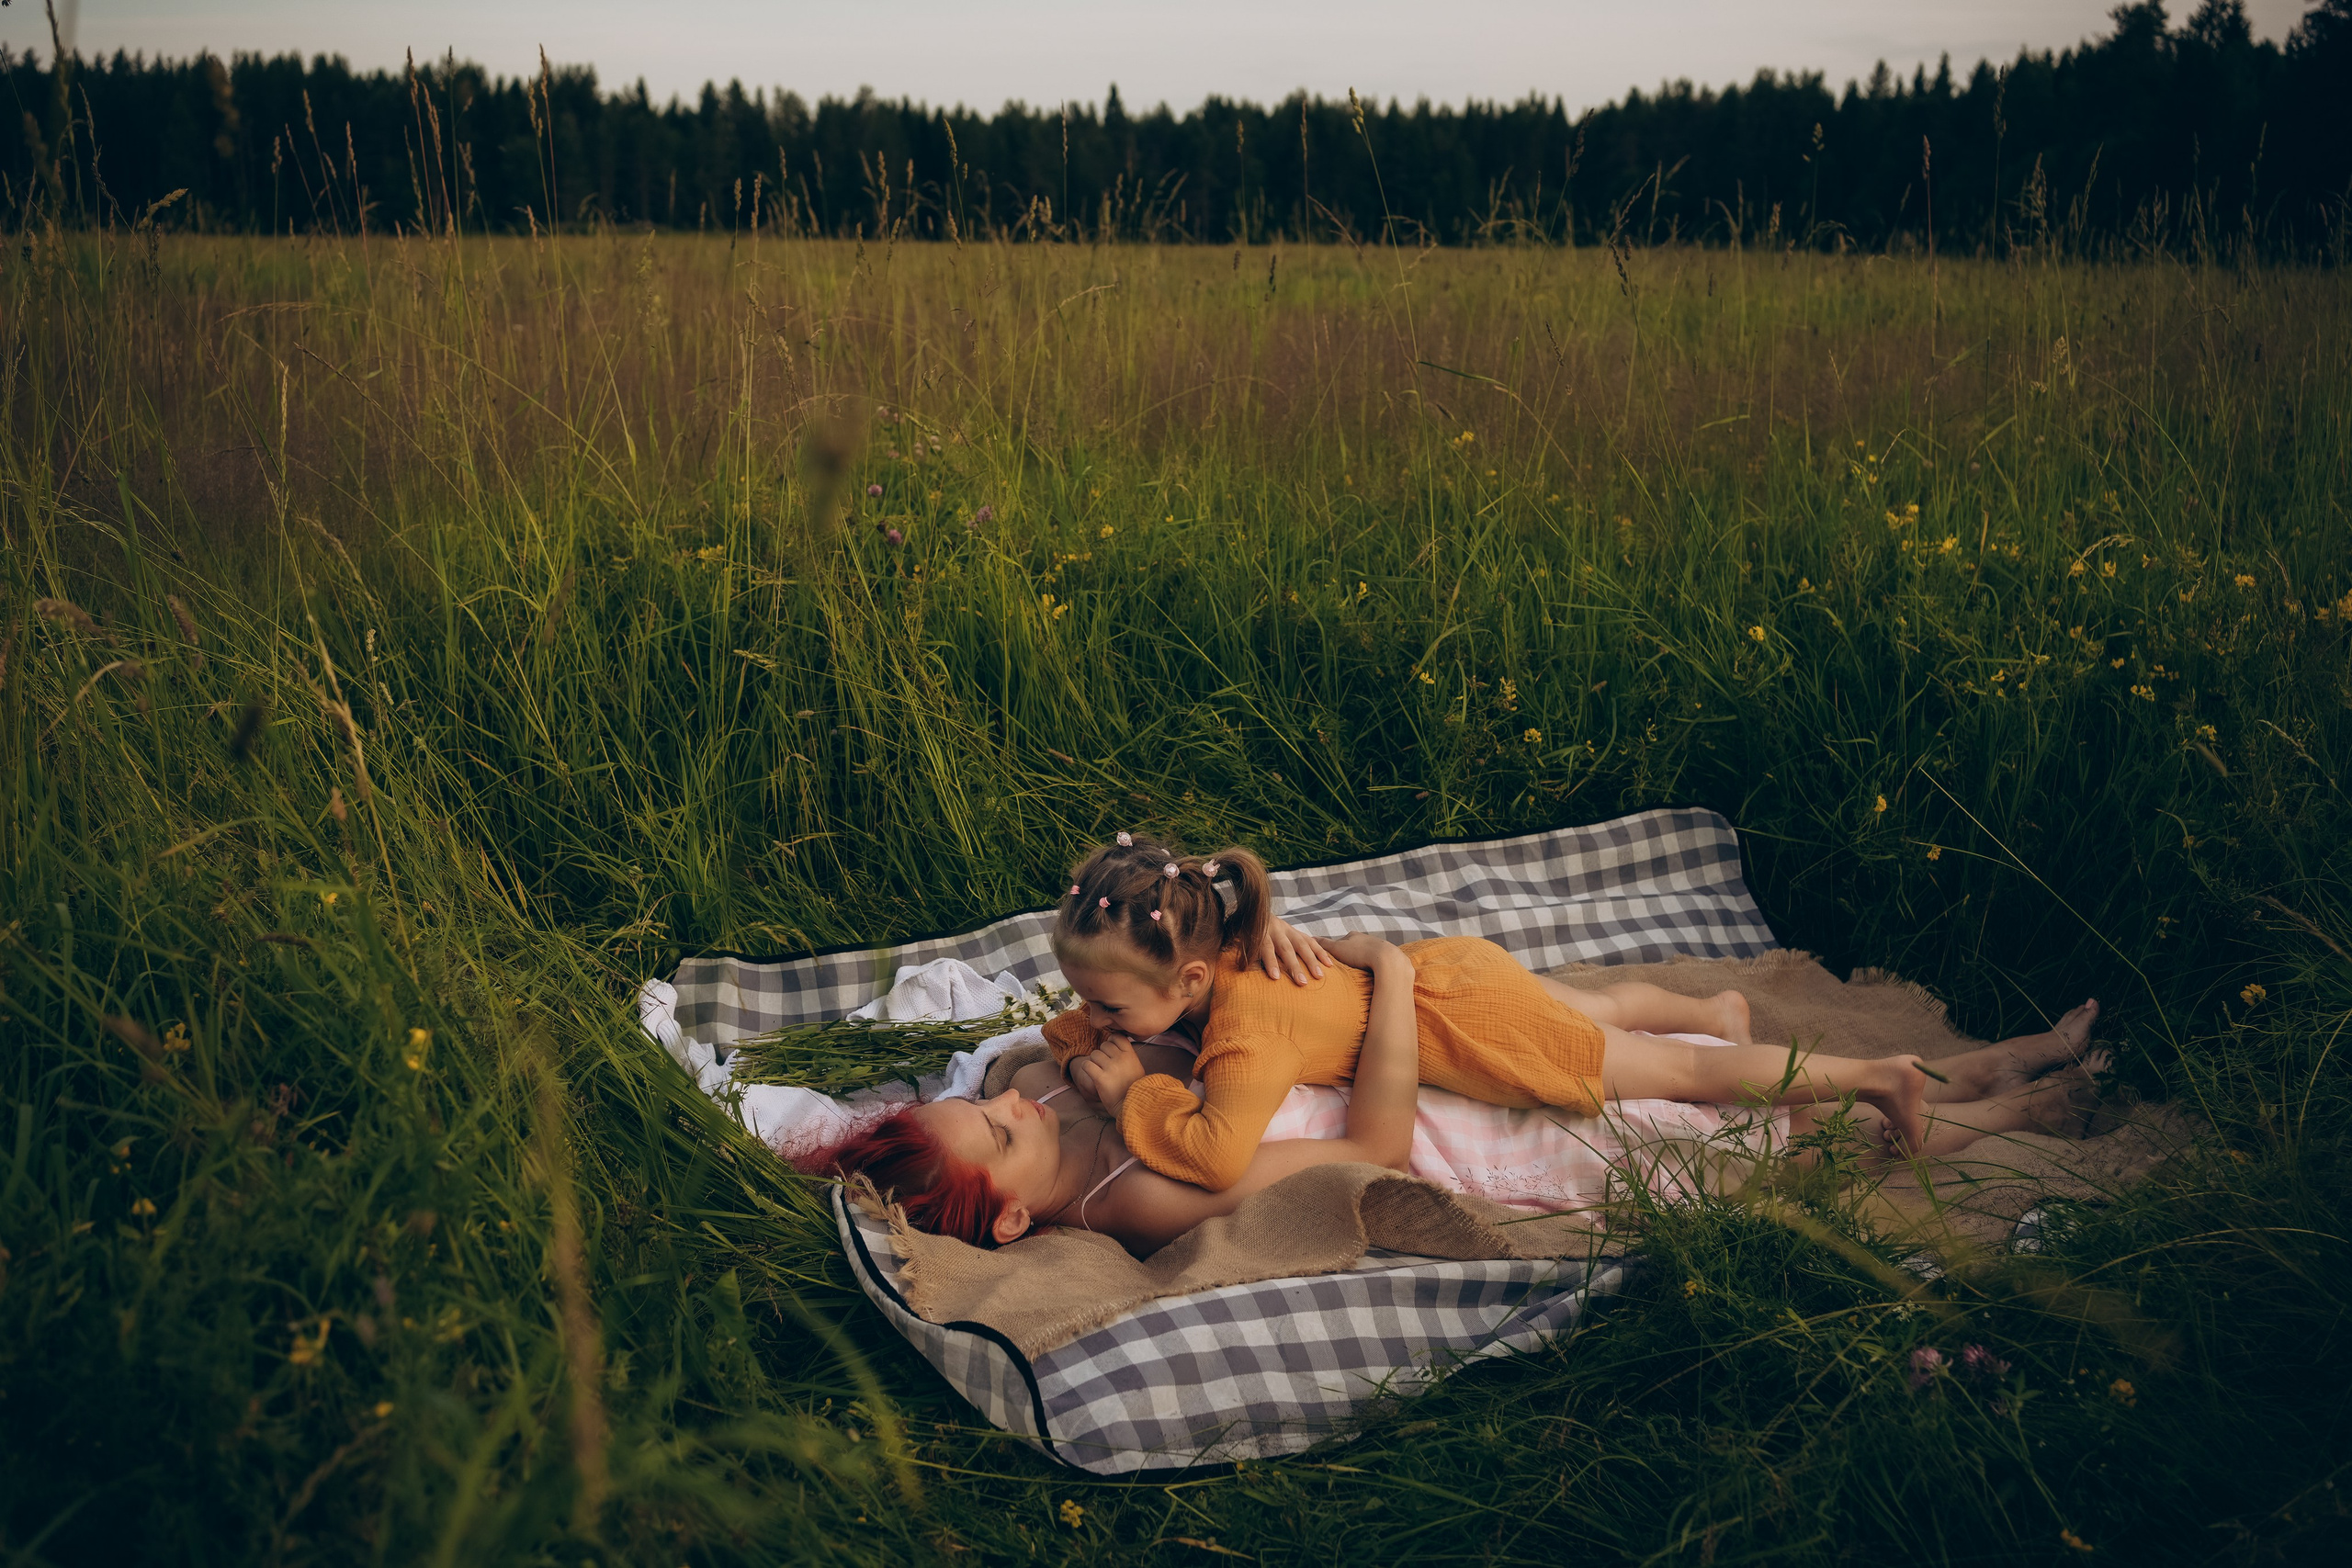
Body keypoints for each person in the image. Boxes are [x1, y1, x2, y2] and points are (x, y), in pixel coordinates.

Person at [1035, 833, 1939, 1192]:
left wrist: (1131, 1096)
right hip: (1454, 974)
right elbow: (1080, 1025)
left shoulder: (1245, 1037)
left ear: (1190, 981)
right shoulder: (1217, 933)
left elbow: (1216, 1156)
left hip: (1466, 1027)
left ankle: (1876, 1078)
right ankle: (1712, 1003)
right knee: (1595, 1010)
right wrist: (1082, 1038)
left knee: (1685, 1071)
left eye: (1105, 1004)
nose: (1090, 1017)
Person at [832, 931, 1427, 1255]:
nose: (1007, 1100)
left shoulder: (1041, 1085)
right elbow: (1378, 1153)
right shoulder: (1142, 1198)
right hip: (1405, 1084)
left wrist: (1234, 941)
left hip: (1323, 1028)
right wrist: (1390, 971)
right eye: (1002, 1133)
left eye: (976, 1101)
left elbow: (1177, 1019)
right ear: (1012, 1217)